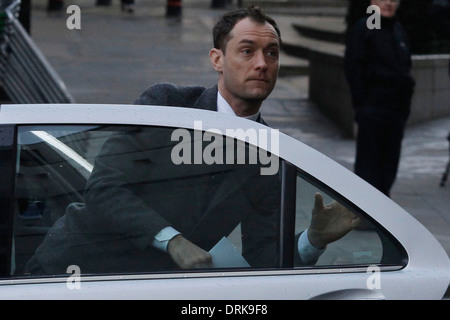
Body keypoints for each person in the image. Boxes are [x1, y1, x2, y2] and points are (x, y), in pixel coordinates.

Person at [26, 7, 359, 274]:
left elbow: (261, 254)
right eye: (247, 51)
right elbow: (104, 189)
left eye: (272, 53)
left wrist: (313, 240)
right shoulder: (167, 104)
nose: (262, 63)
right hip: (76, 269)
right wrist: (174, 241)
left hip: (161, 287)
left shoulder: (267, 151)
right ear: (217, 59)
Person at [344, 0, 415, 197]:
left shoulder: (399, 30)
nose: (388, 3)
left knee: (390, 160)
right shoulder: (366, 27)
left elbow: (405, 68)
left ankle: (383, 209)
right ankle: (367, 211)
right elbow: (353, 66)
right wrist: (363, 104)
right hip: (373, 107)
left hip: (396, 109)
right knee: (369, 162)